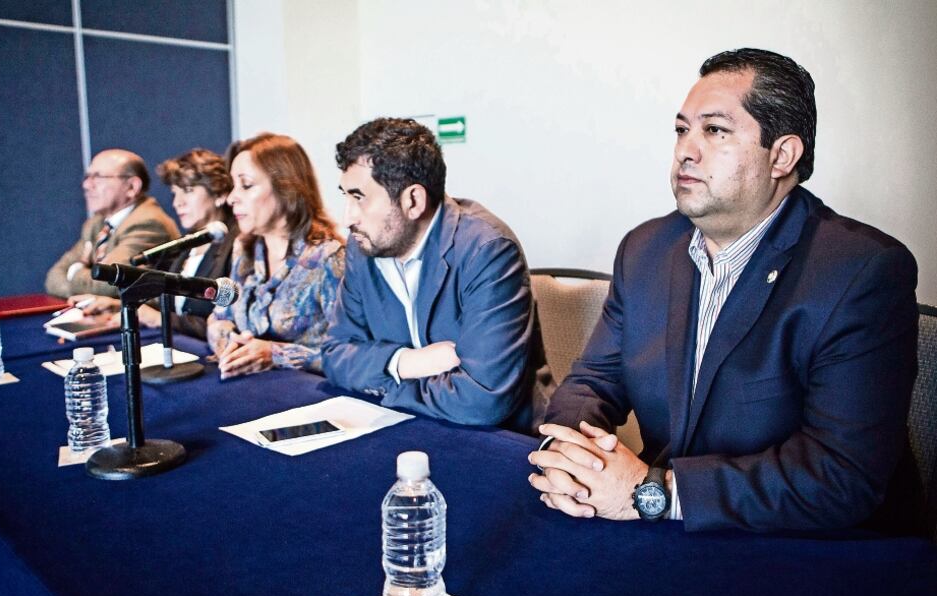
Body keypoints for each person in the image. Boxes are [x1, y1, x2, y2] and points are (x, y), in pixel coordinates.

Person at [529, 48, 921, 533]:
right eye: (681, 130)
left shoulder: (863, 271)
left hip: (818, 551)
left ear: (781, 155)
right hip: (683, 536)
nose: (685, 151)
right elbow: (593, 381)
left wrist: (655, 491)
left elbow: (840, 475)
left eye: (714, 130)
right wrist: (569, 454)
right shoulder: (645, 248)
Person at [323, 118, 541, 430]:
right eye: (345, 196)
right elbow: (334, 355)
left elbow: (483, 399)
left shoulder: (487, 249)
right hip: (406, 427)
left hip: (498, 438)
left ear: (413, 201)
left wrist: (383, 378)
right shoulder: (364, 248)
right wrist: (406, 362)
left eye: (359, 198)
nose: (347, 218)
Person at [207, 133, 344, 377]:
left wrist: (276, 354)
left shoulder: (330, 259)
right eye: (233, 186)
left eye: (246, 185)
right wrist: (228, 342)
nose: (231, 198)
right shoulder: (243, 250)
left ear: (286, 187)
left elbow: (352, 356)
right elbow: (218, 317)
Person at [69, 148, 238, 339]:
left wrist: (158, 318)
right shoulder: (188, 244)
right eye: (175, 193)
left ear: (220, 194)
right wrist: (120, 304)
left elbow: (228, 322)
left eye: (188, 191)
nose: (177, 203)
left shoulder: (237, 246)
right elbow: (172, 303)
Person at [46, 149, 180, 298]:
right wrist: (83, 288)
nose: (87, 185)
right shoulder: (96, 224)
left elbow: (110, 283)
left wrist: (75, 271)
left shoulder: (149, 223)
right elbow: (53, 277)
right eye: (87, 177)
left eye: (98, 177)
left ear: (132, 187)